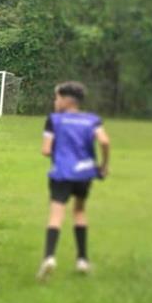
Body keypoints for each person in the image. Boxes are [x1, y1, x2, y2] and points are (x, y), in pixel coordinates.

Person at [37, 81, 110, 281]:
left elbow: (45, 150)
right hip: (84, 174)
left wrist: (61, 153)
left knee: (56, 215)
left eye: (56, 98)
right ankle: (82, 260)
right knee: (79, 211)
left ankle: (49, 257)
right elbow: (104, 141)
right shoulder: (92, 120)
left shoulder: (54, 120)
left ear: (65, 100)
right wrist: (103, 165)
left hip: (62, 173)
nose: (55, 101)